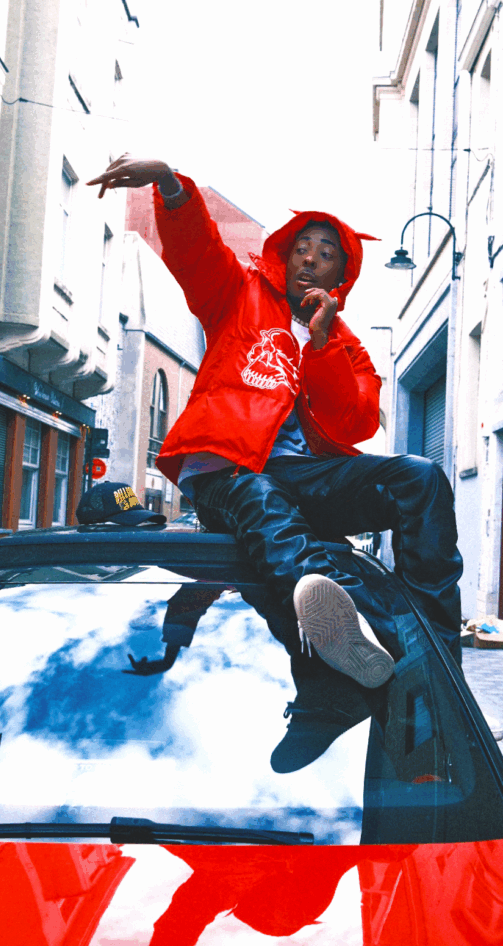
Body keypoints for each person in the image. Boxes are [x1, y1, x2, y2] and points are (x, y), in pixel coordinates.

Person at [88, 156, 463, 770]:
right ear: (284, 257)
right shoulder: (238, 294)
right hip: (230, 469)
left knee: (419, 478)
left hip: (303, 476)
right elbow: (197, 253)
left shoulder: (344, 342)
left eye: (326, 254)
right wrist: (171, 185)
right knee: (263, 501)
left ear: (342, 275)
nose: (310, 259)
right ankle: (359, 642)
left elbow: (354, 424)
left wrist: (323, 344)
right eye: (302, 249)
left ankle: (436, 656)